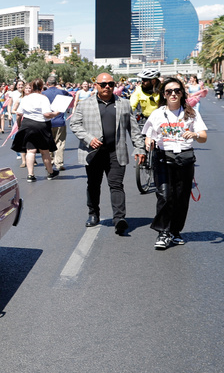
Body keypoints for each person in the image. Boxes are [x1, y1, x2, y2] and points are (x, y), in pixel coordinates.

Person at [68, 72, 144, 234]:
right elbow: (75, 125)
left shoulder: (123, 104)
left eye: (110, 84)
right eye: (103, 84)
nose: (107, 87)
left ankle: (119, 219)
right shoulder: (84, 104)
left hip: (116, 152)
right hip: (93, 153)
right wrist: (88, 138)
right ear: (96, 85)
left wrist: (139, 148)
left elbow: (134, 129)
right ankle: (93, 214)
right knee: (93, 185)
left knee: (116, 185)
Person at [143, 78, 208, 250]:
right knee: (164, 196)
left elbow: (203, 137)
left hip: (185, 159)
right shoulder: (157, 114)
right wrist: (149, 142)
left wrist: (194, 135)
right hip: (163, 158)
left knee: (181, 198)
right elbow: (149, 134)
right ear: (163, 94)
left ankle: (175, 231)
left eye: (177, 91)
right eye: (169, 91)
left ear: (182, 93)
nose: (173, 94)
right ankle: (163, 232)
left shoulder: (191, 113)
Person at [12, 80, 59, 182]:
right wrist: (56, 113)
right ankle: (50, 173)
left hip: (27, 124)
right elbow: (46, 114)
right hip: (41, 125)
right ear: (42, 87)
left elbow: (19, 114)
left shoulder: (25, 98)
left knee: (30, 150)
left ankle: (30, 175)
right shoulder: (43, 98)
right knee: (44, 150)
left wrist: (20, 126)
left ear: (32, 87)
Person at [43, 78, 73, 171]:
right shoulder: (61, 92)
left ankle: (50, 161)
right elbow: (70, 96)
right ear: (56, 83)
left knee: (48, 142)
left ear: (47, 83)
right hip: (59, 121)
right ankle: (59, 163)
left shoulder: (43, 94)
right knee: (60, 142)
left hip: (47, 121)